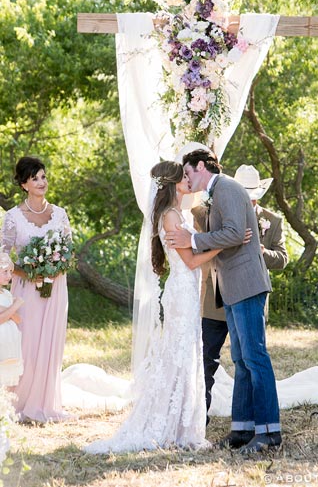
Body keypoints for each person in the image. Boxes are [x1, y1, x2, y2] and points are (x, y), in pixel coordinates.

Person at [85, 161, 224, 454]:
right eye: (184, 177)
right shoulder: (171, 217)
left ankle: (181, 424)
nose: (188, 180)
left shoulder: (176, 213)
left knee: (183, 354)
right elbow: (191, 261)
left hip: (183, 290)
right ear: (173, 183)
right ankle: (169, 424)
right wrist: (224, 245)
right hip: (182, 292)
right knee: (180, 354)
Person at [165, 149, 282, 453]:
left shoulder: (228, 187)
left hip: (246, 284)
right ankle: (242, 430)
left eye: (188, 173)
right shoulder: (217, 192)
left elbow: (232, 233)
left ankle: (269, 432)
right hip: (231, 286)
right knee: (242, 361)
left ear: (201, 166)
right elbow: (231, 233)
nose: (186, 179)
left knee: (255, 357)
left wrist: (192, 240)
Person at [195, 163, 288, 421]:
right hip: (217, 294)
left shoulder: (272, 220)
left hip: (248, 288)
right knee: (211, 357)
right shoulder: (210, 209)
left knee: (251, 356)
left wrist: (258, 251)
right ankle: (204, 416)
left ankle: (262, 426)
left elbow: (282, 258)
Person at [1, 156, 71, 423]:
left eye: (43, 176)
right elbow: (3, 256)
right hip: (26, 289)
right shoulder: (13, 218)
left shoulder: (60, 214)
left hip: (56, 287)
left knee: (51, 341)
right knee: (27, 342)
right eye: (35, 178)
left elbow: (67, 251)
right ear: (23, 184)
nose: (42, 182)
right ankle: (18, 401)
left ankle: (45, 401)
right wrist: (30, 271)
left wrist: (54, 268)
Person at [0, 252, 24, 387]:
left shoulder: (7, 294)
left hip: (9, 343)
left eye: (10, 272)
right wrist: (15, 305)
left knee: (5, 379)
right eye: (5, 272)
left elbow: (18, 319)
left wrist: (7, 310)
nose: (9, 276)